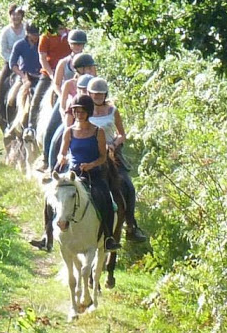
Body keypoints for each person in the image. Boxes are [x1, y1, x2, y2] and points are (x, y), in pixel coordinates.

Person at [31, 94, 121, 253]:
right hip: (72, 173)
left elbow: (102, 157)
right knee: (49, 197)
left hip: (93, 174)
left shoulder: (97, 132)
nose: (78, 114)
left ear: (88, 112)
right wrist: (62, 158)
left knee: (105, 198)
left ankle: (108, 238)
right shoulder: (69, 131)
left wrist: (91, 164)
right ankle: (47, 236)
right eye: (76, 111)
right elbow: (62, 152)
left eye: (82, 111)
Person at [87, 77, 147, 242]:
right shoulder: (84, 111)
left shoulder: (112, 110)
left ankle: (131, 226)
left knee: (128, 186)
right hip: (90, 152)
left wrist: (113, 143)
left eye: (100, 94)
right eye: (95, 94)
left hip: (111, 153)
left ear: (105, 94)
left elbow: (122, 134)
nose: (98, 96)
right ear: (89, 93)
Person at [37, 29, 88, 171]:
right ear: (70, 45)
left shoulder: (89, 62)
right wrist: (63, 97)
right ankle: (47, 161)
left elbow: (93, 80)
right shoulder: (63, 62)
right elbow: (57, 83)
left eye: (80, 44)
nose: (77, 47)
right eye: (75, 44)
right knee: (52, 129)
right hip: (66, 98)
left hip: (85, 99)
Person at [43, 54, 97, 177]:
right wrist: (67, 121)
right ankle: (52, 168)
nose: (90, 71)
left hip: (92, 119)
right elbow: (63, 105)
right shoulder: (69, 84)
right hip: (71, 115)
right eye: (87, 68)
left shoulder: (94, 83)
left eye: (90, 68)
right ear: (78, 69)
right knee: (56, 137)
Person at [23, 24, 70, 141]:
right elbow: (42, 58)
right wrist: (52, 74)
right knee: (37, 98)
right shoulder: (46, 36)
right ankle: (31, 128)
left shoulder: (71, 34)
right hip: (49, 73)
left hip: (68, 73)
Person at [0, 4, 25, 125]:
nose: (16, 17)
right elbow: (3, 50)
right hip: (10, 62)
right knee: (2, 81)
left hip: (26, 62)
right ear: (10, 16)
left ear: (22, 16)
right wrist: (12, 61)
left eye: (18, 14)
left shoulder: (27, 29)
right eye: (13, 14)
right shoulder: (5, 32)